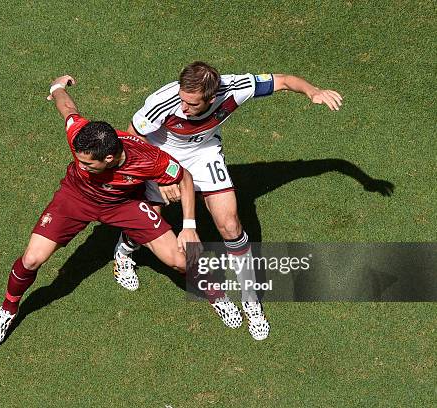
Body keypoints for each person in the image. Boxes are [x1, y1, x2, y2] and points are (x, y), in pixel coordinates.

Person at [0, 75, 240, 348]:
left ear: (109, 158)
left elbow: (185, 178)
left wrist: (188, 225)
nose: (81, 165)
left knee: (179, 259)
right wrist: (57, 87)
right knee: (32, 259)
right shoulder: (81, 136)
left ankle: (217, 295)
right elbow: (68, 110)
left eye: (87, 163)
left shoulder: (148, 160)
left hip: (124, 205)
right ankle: (8, 309)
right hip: (75, 199)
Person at [113, 61, 344, 341]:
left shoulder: (236, 88)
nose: (183, 107)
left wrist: (312, 90)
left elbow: (282, 80)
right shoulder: (162, 101)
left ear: (212, 98)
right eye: (183, 100)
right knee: (148, 218)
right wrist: (162, 176)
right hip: (160, 154)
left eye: (192, 103)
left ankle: (250, 300)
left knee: (231, 225)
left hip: (204, 154)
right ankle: (123, 253)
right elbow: (130, 139)